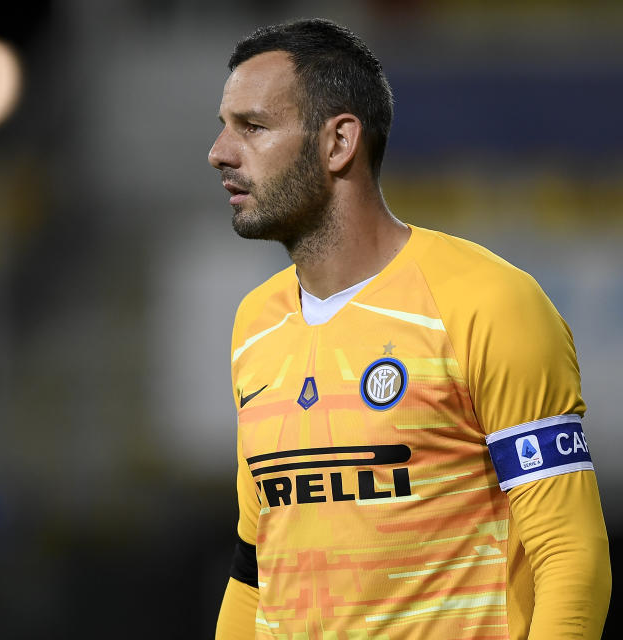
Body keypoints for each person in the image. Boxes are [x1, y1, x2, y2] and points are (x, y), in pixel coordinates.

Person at [207, 18, 610, 640]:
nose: (220, 152)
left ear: (339, 142)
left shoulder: (488, 302)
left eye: (252, 127)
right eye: (224, 126)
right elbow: (255, 569)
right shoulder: (254, 324)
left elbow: (569, 556)